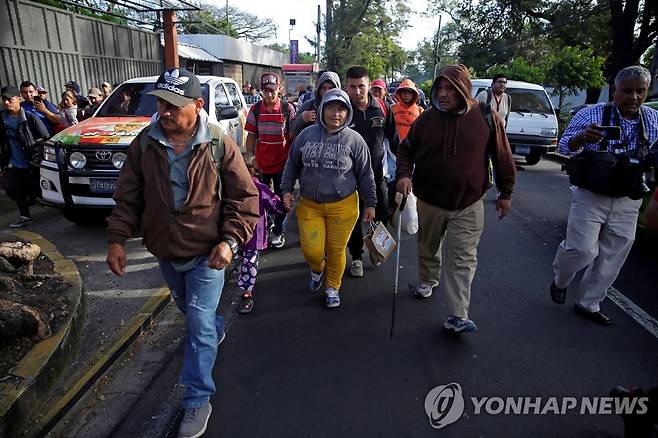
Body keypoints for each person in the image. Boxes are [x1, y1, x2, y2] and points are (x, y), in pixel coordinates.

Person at [106, 67, 259, 438]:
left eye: (174, 104)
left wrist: (230, 241)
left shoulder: (220, 144)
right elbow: (128, 196)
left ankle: (196, 399)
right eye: (160, 103)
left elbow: (245, 199)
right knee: (189, 310)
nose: (165, 111)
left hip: (208, 254)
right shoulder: (145, 143)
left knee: (197, 325)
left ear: (198, 105)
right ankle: (214, 328)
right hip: (165, 250)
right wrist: (117, 238)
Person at [396, 64, 516, 333]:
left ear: (464, 89)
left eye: (450, 88)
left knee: (462, 258)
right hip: (430, 198)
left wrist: (505, 192)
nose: (443, 93)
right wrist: (404, 175)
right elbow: (405, 151)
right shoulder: (426, 119)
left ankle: (457, 315)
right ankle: (428, 278)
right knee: (428, 245)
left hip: (469, 202)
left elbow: (502, 155)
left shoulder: (486, 117)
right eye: (440, 87)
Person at [550, 65, 658, 325]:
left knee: (613, 255)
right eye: (627, 91)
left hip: (628, 199)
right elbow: (564, 146)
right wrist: (583, 137)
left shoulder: (653, 120)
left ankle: (589, 303)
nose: (634, 97)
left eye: (640, 91)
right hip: (591, 194)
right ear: (614, 91)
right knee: (582, 249)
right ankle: (561, 280)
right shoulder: (593, 113)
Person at [280, 88, 377, 308]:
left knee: (336, 250)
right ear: (322, 109)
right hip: (309, 205)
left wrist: (370, 202)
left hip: (343, 206)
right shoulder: (306, 135)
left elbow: (366, 174)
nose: (336, 114)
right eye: (331, 108)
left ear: (348, 112)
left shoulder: (355, 140)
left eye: (341, 109)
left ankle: (333, 287)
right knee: (312, 251)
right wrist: (286, 190)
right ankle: (317, 269)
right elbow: (292, 164)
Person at [344, 65, 398, 277]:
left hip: (377, 175)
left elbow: (394, 142)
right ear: (346, 86)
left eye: (361, 86)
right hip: (349, 177)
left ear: (369, 85)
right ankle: (356, 256)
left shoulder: (383, 109)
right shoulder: (343, 110)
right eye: (352, 87)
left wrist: (405, 172)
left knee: (382, 213)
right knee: (354, 219)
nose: (357, 92)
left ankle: (376, 250)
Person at [244, 72, 296, 249]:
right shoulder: (255, 109)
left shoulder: (287, 109)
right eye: (266, 91)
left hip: (283, 163)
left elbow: (293, 137)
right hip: (261, 164)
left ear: (279, 89)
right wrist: (250, 160)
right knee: (260, 199)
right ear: (261, 91)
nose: (269, 94)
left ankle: (278, 231)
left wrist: (294, 164)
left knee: (282, 199)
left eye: (273, 90)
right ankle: (265, 227)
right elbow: (251, 136)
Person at [237, 158, 286, 314]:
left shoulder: (231, 187)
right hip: (254, 234)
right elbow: (275, 206)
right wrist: (283, 204)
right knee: (250, 261)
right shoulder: (260, 188)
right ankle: (247, 291)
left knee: (244, 259)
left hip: (236, 232)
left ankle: (246, 290)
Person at [0, 85, 50, 228]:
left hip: (30, 161)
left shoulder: (29, 118)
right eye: (4, 99)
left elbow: (46, 137)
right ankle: (25, 215)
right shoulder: (2, 118)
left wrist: (36, 151)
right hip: (12, 161)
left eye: (10, 99)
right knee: (11, 187)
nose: (7, 102)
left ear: (18, 99)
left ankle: (36, 200)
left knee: (34, 187)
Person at [289, 71, 341, 138]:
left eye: (331, 88)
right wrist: (302, 119)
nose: (327, 92)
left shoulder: (344, 108)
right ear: (319, 89)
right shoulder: (308, 105)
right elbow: (292, 131)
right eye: (324, 88)